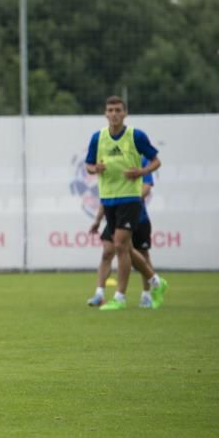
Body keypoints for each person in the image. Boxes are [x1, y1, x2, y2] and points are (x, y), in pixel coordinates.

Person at [84, 96, 167, 311]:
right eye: (110, 110)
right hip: (108, 198)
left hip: (130, 198)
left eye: (118, 110)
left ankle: (119, 297)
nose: (114, 114)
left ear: (125, 113)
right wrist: (96, 169)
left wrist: (141, 171)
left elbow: (156, 161)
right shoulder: (98, 137)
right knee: (126, 248)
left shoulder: (135, 136)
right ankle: (156, 281)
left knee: (120, 246)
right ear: (105, 113)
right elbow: (89, 165)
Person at [87, 156, 155, 308]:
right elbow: (108, 193)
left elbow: (147, 186)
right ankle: (99, 294)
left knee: (142, 254)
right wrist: (98, 220)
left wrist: (129, 199)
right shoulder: (112, 160)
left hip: (137, 217)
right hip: (116, 216)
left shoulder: (141, 160)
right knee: (107, 252)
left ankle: (147, 294)